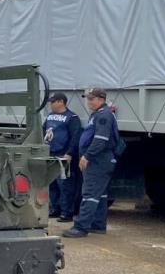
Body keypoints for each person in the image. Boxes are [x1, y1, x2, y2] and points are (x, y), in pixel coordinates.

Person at [63, 88, 119, 238]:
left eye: (91, 99)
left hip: (98, 160)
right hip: (101, 159)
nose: (88, 102)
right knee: (99, 195)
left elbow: (101, 139)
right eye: (88, 99)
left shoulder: (104, 115)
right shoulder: (99, 114)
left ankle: (81, 227)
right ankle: (97, 225)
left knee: (89, 194)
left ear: (101, 99)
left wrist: (87, 156)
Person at [43, 92, 83, 221]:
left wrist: (70, 153)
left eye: (52, 101)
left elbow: (75, 137)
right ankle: (55, 209)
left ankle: (67, 213)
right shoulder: (50, 116)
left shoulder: (72, 118)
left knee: (65, 185)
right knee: (52, 184)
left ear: (60, 102)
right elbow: (43, 131)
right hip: (50, 154)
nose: (50, 104)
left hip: (63, 156)